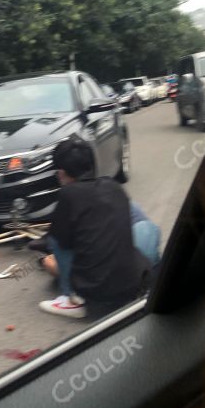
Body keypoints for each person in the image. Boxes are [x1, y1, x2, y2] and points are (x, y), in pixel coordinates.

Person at [38, 136, 152, 318]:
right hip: (135, 283)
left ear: (61, 172)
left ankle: (72, 299)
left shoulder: (69, 194)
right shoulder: (114, 187)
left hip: (98, 291)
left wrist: (43, 248)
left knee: (56, 241)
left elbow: (60, 240)